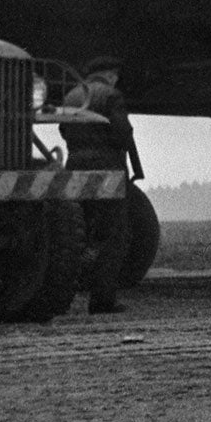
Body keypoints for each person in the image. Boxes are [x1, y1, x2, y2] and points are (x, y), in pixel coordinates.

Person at [60, 58, 142, 315]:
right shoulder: (111, 95)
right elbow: (122, 133)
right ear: (109, 74)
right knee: (113, 236)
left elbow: (63, 130)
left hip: (74, 166)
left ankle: (62, 297)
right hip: (106, 171)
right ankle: (102, 301)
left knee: (74, 234)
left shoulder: (72, 96)